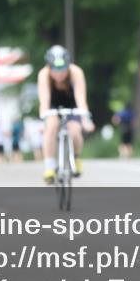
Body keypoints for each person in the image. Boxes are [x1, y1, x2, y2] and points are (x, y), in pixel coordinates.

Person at [37, 45, 95, 183]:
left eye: (62, 69)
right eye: (55, 70)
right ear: (49, 67)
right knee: (51, 126)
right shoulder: (43, 75)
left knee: (75, 130)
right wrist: (43, 121)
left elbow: (81, 98)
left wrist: (85, 119)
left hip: (72, 102)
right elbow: (44, 100)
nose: (59, 74)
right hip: (53, 103)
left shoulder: (76, 72)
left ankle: (76, 157)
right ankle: (49, 166)